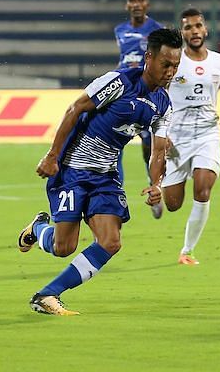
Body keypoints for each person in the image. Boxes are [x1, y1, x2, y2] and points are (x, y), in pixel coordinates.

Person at [17, 28, 183, 315]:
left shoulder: (163, 104)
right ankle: (38, 229)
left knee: (111, 242)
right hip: (72, 169)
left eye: (176, 66)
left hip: (105, 175)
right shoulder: (118, 82)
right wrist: (53, 155)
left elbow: (158, 150)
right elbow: (74, 109)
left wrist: (157, 183)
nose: (170, 71)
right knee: (63, 246)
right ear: (149, 58)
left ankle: (47, 295)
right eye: (166, 64)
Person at [160, 8, 220, 265]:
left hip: (207, 134)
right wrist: (161, 133)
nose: (194, 31)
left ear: (205, 30)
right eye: (188, 27)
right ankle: (164, 176)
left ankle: (187, 250)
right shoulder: (173, 63)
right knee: (173, 204)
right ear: (182, 32)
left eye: (198, 26)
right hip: (176, 137)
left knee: (203, 188)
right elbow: (157, 96)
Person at [114, 0, 164, 218]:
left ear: (147, 4)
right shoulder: (119, 30)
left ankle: (153, 187)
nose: (136, 4)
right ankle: (115, 193)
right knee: (113, 143)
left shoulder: (156, 30)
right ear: (127, 5)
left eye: (140, 0)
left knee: (148, 146)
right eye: (132, 0)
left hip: (145, 91)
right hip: (123, 91)